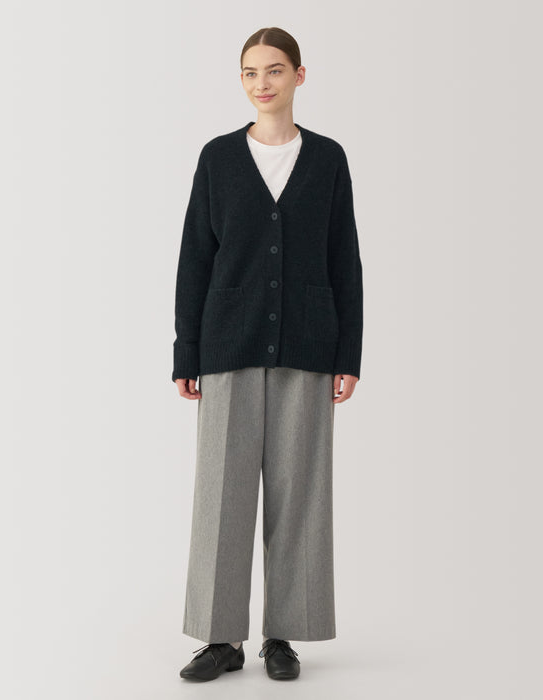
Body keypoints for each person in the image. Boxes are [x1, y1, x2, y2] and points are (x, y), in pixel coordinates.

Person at [172, 26, 364, 682]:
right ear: (242, 79)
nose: (263, 82)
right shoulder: (218, 158)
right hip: (228, 344)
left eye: (275, 70)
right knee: (221, 494)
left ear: (298, 76)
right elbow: (195, 257)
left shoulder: (328, 159)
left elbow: (345, 259)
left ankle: (284, 635)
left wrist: (348, 354)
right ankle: (221, 639)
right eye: (251, 72)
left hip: (308, 346)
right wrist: (187, 352)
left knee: (299, 492)